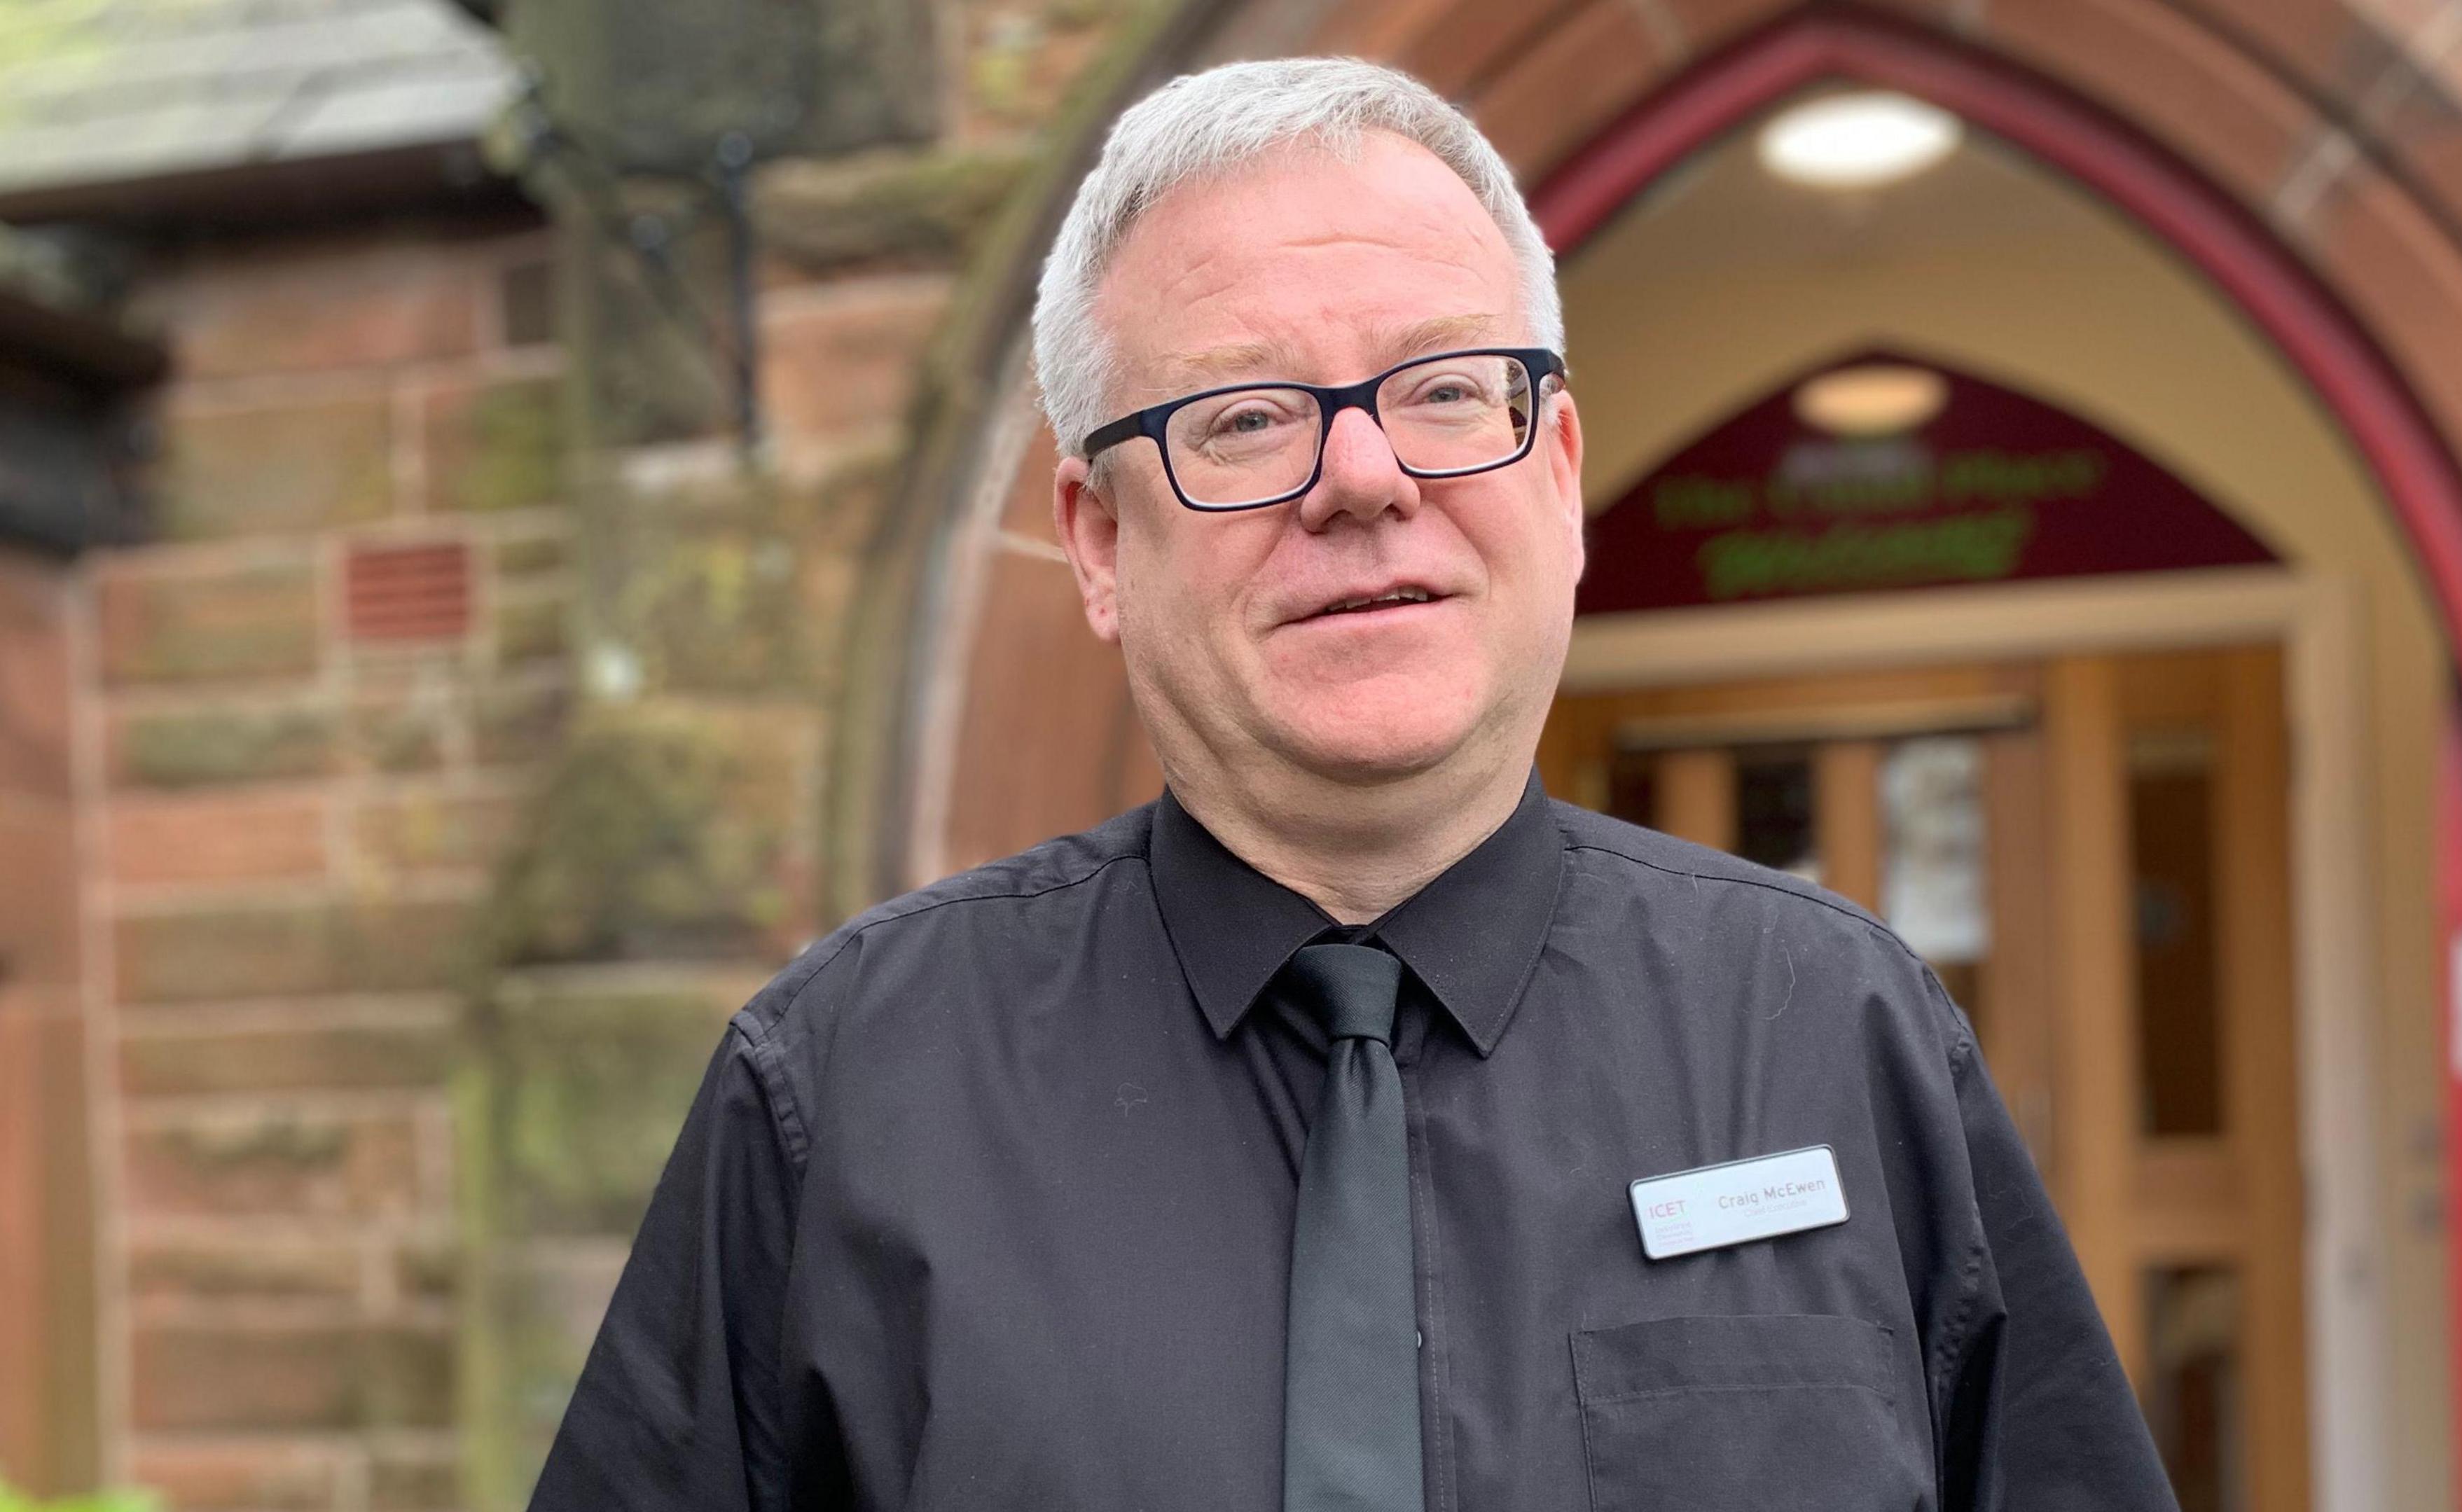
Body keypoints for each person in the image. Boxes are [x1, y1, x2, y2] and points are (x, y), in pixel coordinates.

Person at [527, 56, 2178, 1512]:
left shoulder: (1837, 1037)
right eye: (1246, 419)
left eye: (1447, 390)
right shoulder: (842, 1098)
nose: (1366, 477)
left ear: (1564, 473)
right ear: (1100, 542)